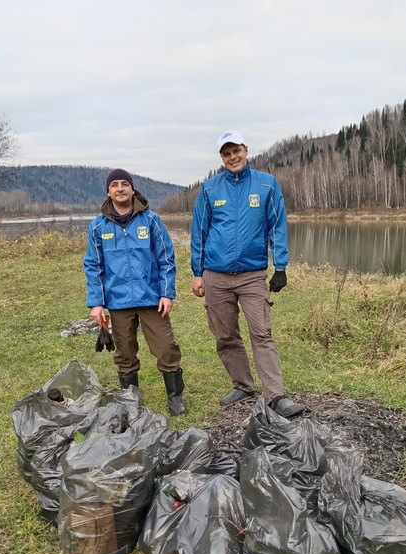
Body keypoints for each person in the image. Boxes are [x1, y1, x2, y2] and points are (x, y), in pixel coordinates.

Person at [190, 131, 305, 418]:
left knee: (262, 333)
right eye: (226, 153)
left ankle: (276, 396)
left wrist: (280, 266)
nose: (232, 157)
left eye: (236, 151)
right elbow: (199, 233)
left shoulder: (266, 185)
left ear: (246, 149)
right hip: (216, 274)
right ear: (221, 157)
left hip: (252, 274)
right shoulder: (209, 189)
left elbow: (277, 225)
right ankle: (242, 384)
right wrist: (197, 272)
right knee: (225, 334)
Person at [83, 168, 186, 416]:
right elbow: (93, 265)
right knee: (125, 354)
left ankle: (175, 399)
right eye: (114, 185)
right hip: (117, 303)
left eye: (124, 184)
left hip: (152, 299)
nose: (120, 188)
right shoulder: (98, 227)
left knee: (166, 348)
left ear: (132, 189)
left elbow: (166, 259)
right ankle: (131, 403)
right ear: (108, 191)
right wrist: (96, 303)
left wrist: (166, 293)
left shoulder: (151, 220)